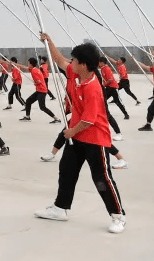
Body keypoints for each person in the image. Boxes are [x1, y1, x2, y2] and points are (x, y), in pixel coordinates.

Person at [35, 34, 126, 233]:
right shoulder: (75, 74)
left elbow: (88, 120)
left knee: (102, 178)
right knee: (66, 171)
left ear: (84, 65)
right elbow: (59, 60)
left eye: (74, 60)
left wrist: (69, 132)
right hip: (77, 137)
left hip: (94, 138)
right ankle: (60, 208)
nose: (71, 62)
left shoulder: (93, 86)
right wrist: (49, 42)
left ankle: (118, 215)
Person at [13, 57, 59, 123]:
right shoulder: (35, 69)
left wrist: (36, 83)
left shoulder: (34, 71)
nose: (27, 64)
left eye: (28, 63)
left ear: (31, 64)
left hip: (42, 91)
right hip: (39, 91)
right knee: (28, 101)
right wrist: (15, 64)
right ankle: (27, 117)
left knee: (42, 107)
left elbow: (39, 81)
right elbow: (24, 67)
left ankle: (56, 118)